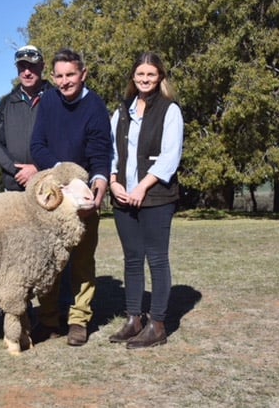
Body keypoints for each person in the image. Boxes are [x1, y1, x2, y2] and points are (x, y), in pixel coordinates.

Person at [30, 48, 112, 346]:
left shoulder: (95, 107)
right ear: (53, 77)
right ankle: (48, 319)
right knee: (49, 261)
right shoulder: (49, 100)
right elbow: (37, 144)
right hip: (53, 193)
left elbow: (100, 153)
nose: (65, 82)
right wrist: (60, 175)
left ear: (83, 74)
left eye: (71, 75)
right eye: (60, 76)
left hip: (83, 195)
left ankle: (79, 320)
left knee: (81, 261)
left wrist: (98, 184)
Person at [107, 52, 184, 349]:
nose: (145, 79)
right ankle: (133, 319)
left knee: (157, 258)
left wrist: (142, 186)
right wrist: (113, 182)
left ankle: (158, 324)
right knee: (132, 259)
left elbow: (170, 156)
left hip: (156, 197)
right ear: (133, 77)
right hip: (123, 196)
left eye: (151, 75)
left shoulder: (170, 110)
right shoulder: (122, 110)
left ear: (160, 77)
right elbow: (112, 150)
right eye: (140, 74)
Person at [0, 45, 51, 192]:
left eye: (32, 66)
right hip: (14, 187)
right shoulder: (6, 103)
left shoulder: (56, 99)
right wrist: (17, 170)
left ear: (42, 66)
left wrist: (38, 167)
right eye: (22, 67)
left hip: (49, 184)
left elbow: (65, 142)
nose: (27, 72)